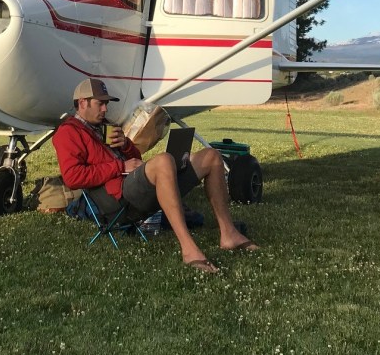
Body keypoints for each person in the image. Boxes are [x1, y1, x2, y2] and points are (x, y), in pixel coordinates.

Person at [51, 77, 259, 274]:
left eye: (106, 103)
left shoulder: (104, 127)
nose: (105, 108)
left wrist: (126, 145)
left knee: (211, 157)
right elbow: (72, 177)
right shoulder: (68, 133)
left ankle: (229, 234)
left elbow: (136, 157)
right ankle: (188, 249)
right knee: (164, 160)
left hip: (135, 187)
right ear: (82, 103)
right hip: (116, 199)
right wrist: (120, 166)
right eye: (100, 103)